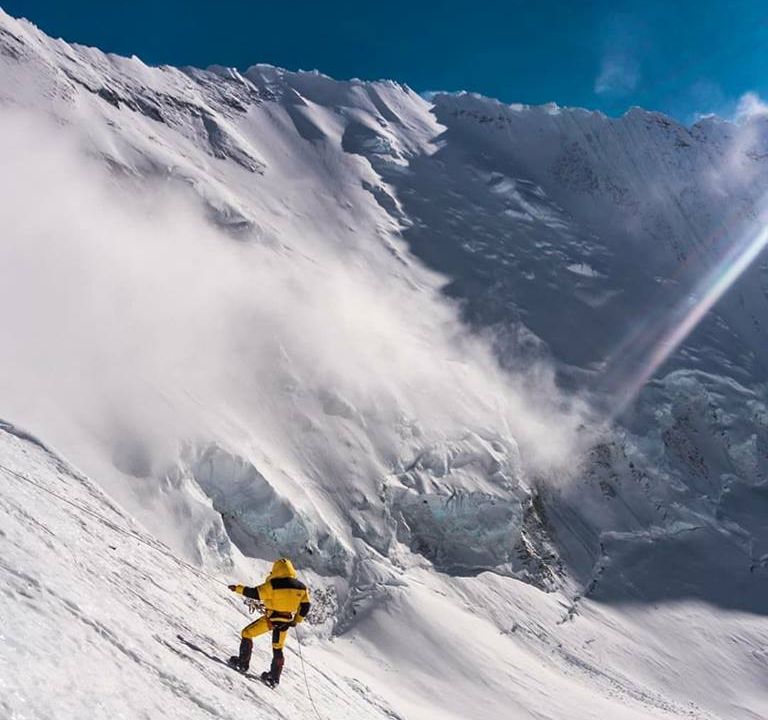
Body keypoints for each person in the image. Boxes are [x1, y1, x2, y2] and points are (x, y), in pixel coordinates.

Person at [227, 557, 311, 686]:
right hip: (285, 622)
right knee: (278, 648)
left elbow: (255, 593)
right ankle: (274, 678)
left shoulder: (273, 585)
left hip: (271, 619)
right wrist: (296, 620)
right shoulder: (302, 588)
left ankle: (242, 663)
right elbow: (306, 606)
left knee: (247, 633)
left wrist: (238, 588)